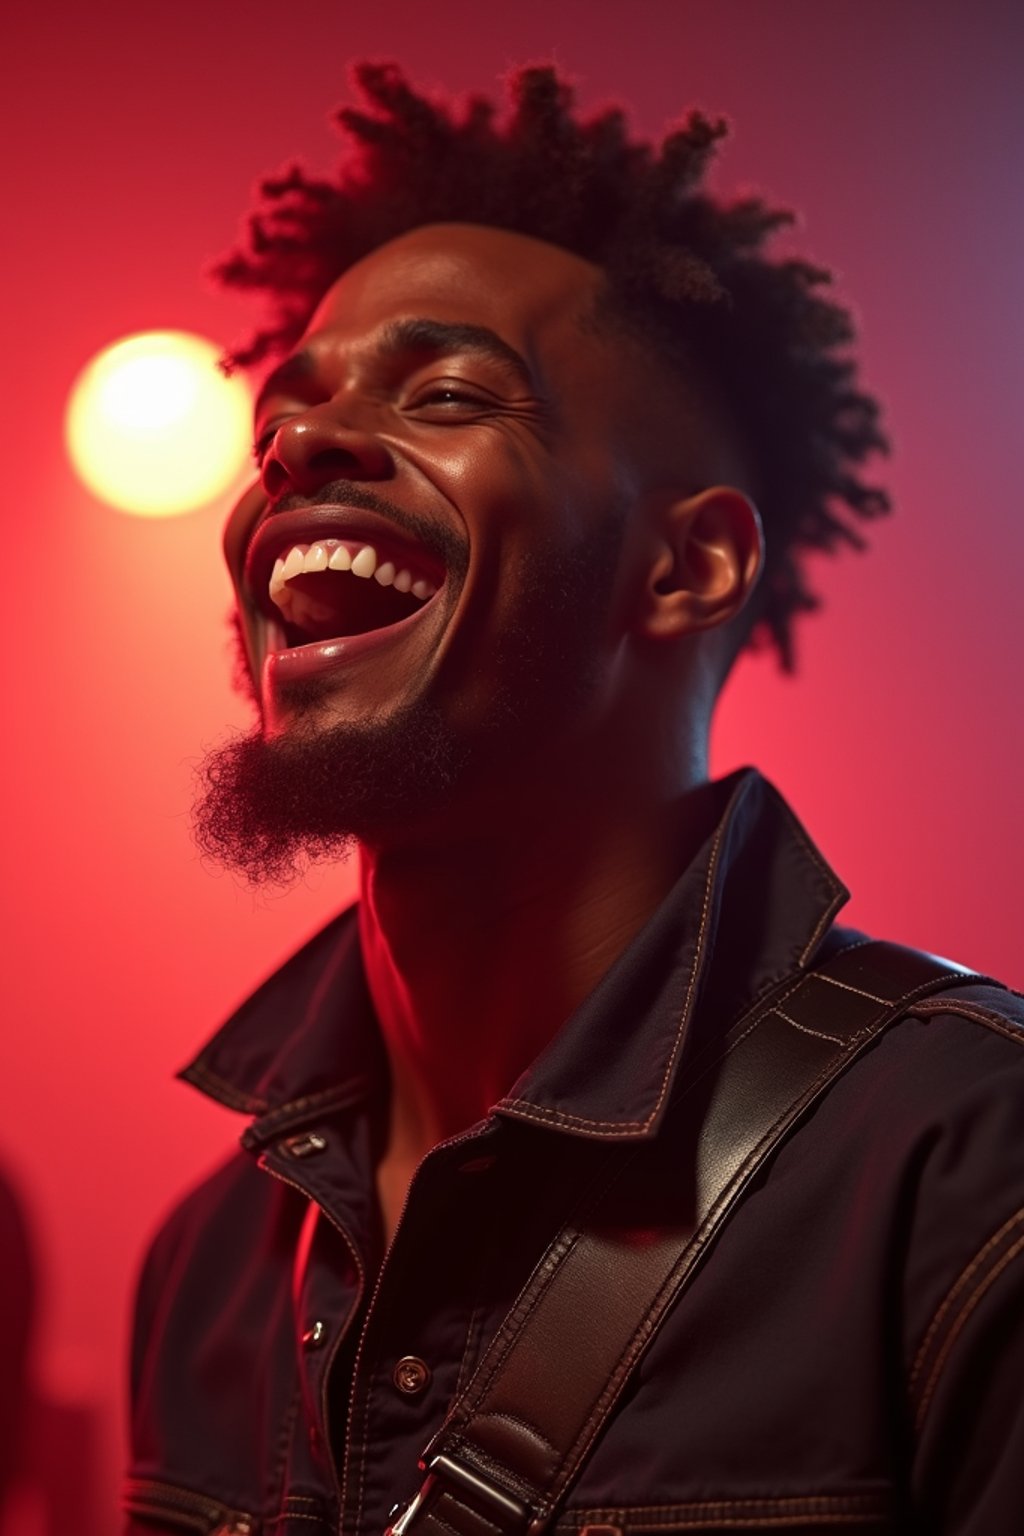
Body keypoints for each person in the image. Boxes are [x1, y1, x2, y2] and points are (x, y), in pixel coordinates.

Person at [126, 64, 1024, 1535]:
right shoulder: (210, 1264)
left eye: (451, 392)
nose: (299, 447)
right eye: (283, 417)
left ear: (688, 568)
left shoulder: (967, 1170)